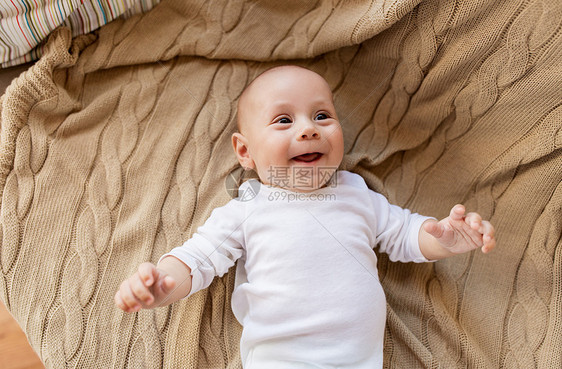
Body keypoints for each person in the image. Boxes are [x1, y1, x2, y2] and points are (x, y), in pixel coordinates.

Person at [114, 66, 496, 368]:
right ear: (245, 152)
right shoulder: (248, 206)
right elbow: (198, 258)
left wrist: (442, 238)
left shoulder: (356, 192)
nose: (309, 129)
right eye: (283, 120)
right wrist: (162, 283)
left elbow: (404, 234)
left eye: (321, 115)